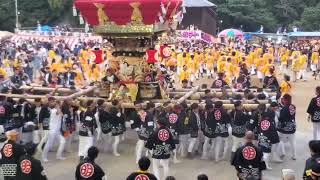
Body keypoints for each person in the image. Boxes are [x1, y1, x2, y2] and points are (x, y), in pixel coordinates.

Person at [278, 94, 296, 160]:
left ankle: (283, 152)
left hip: (284, 127)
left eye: (283, 99)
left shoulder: (283, 109)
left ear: (285, 100)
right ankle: (294, 155)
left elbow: (281, 118)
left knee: (280, 140)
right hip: (292, 127)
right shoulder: (293, 106)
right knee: (292, 142)